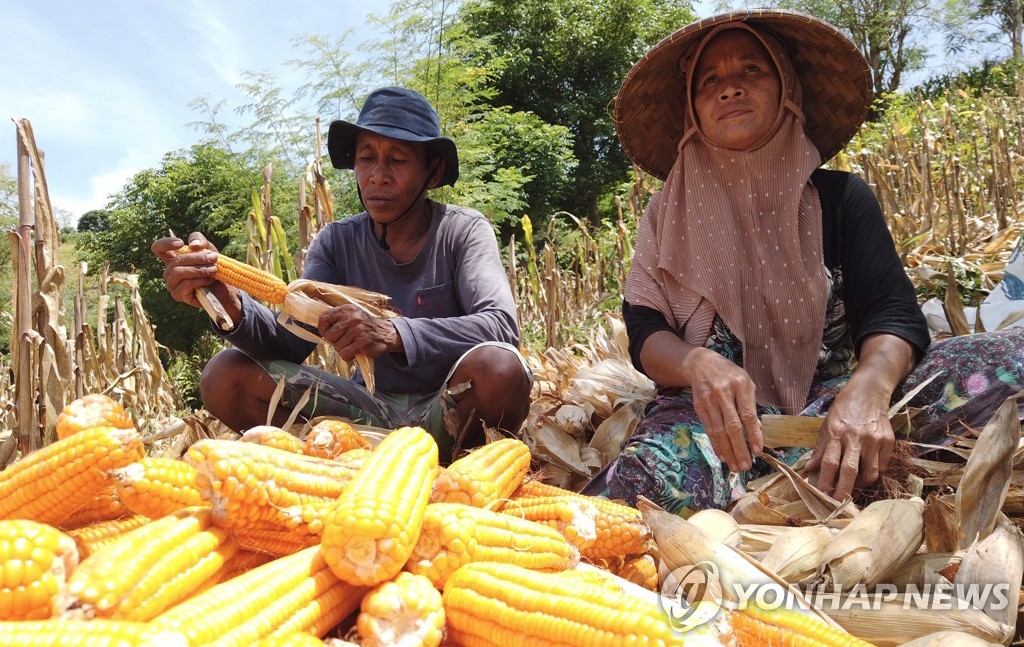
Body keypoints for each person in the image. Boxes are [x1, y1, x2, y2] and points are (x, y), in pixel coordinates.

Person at [582, 9, 1024, 512]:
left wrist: (867, 392)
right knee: (637, 490)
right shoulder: (666, 215)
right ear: (693, 110)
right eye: (710, 80)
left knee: (1009, 360)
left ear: (786, 89)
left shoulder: (841, 198)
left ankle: (824, 458)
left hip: (831, 409)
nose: (730, 89)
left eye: (751, 70)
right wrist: (698, 363)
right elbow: (644, 330)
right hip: (715, 421)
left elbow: (892, 315)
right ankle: (771, 476)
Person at [152, 86, 533, 463]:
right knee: (224, 377)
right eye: (367, 159)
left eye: (397, 161)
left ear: (432, 173)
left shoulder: (462, 230)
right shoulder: (336, 241)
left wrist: (393, 332)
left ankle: (453, 467)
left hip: (450, 406)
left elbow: (499, 326)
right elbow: (291, 341)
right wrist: (229, 302)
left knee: (499, 369)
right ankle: (340, 464)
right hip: (367, 411)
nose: (377, 176)